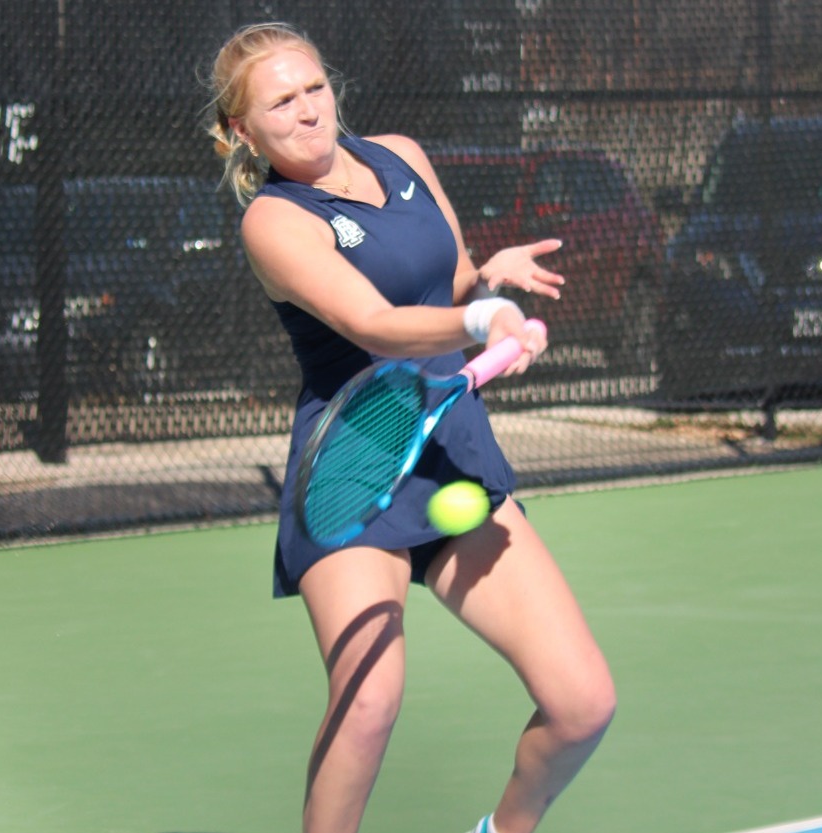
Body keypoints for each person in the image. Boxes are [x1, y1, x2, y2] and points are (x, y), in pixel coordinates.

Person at [205, 22, 615, 833]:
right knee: (369, 698)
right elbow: (377, 320)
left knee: (581, 703)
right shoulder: (275, 222)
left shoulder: (401, 154)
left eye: (315, 87)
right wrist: (487, 316)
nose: (309, 110)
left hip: (450, 444)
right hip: (355, 458)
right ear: (241, 131)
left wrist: (486, 279)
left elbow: (447, 281)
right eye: (280, 102)